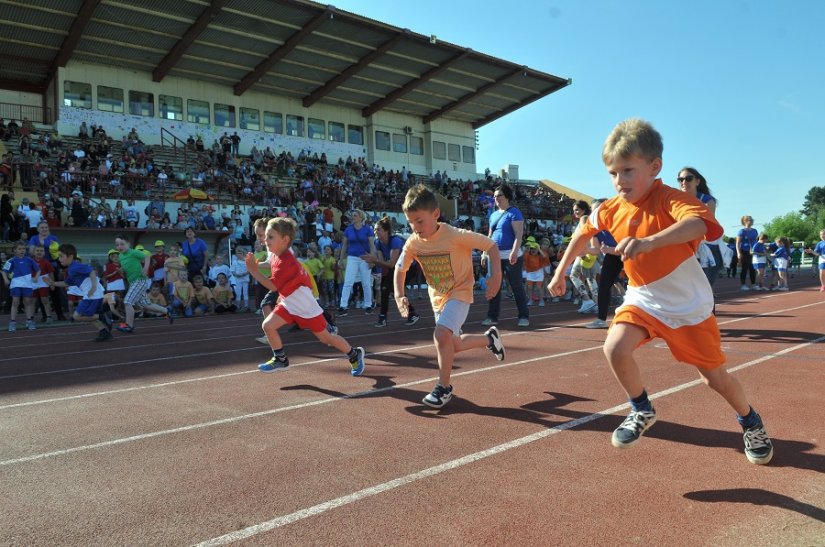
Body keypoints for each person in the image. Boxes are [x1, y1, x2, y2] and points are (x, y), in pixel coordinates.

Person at [550, 119, 774, 466]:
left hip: (689, 306)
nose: (619, 181)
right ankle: (641, 408)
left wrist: (649, 242)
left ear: (655, 167)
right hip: (643, 297)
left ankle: (750, 420)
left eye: (627, 170)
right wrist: (560, 271)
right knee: (614, 347)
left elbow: (699, 224)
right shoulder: (609, 207)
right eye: (612, 173)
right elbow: (583, 232)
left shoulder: (671, 199)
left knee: (713, 379)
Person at [394, 184, 504, 408]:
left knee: (441, 334)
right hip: (438, 298)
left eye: (419, 221)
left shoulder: (455, 235)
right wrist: (399, 295)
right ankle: (489, 339)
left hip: (460, 291)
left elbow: (491, 246)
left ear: (435, 214)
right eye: (410, 222)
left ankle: (443, 388)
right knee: (451, 344)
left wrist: (496, 278)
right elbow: (400, 269)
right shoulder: (413, 242)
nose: (415, 227)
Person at [244, 217, 366, 376]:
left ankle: (354, 354)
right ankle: (280, 359)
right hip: (289, 304)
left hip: (306, 308)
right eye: (265, 236)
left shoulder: (286, 260)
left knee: (326, 339)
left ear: (285, 239)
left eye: (270, 237)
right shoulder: (275, 255)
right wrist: (257, 267)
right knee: (268, 325)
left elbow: (273, 286)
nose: (265, 240)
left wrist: (254, 271)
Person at [482, 183, 530, 327]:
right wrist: (485, 252)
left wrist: (515, 252)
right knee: (494, 286)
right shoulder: (493, 214)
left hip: (511, 255)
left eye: (499, 195)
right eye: (495, 196)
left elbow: (518, 235)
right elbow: (490, 235)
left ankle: (523, 316)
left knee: (516, 285)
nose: (496, 198)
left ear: (507, 196)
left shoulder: (514, 212)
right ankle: (492, 316)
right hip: (494, 255)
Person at [364, 216, 419, 327]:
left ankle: (385, 317)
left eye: (378, 229)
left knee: (390, 289)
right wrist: (373, 261)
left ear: (386, 231)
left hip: (410, 267)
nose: (376, 232)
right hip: (397, 267)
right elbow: (381, 262)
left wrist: (375, 260)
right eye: (375, 229)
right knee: (387, 289)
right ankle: (410, 313)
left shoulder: (395, 241)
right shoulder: (378, 243)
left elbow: (392, 263)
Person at [50, 244, 112, 342]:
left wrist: (93, 287)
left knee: (77, 316)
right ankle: (104, 331)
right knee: (87, 315)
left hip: (92, 294)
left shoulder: (76, 266)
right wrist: (53, 283)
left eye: (61, 256)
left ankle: (101, 316)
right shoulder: (71, 269)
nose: (59, 258)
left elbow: (91, 271)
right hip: (91, 294)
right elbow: (67, 283)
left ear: (70, 256)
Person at [114, 235, 173, 332]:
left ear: (128, 244)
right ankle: (167, 311)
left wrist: (145, 268)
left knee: (128, 302)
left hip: (140, 280)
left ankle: (129, 325)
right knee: (146, 304)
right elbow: (125, 271)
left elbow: (147, 256)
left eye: (122, 244)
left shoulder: (133, 252)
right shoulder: (120, 257)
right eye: (117, 245)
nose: (120, 247)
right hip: (133, 282)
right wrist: (121, 271)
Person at [337, 209, 376, 315]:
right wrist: (340, 259)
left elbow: (372, 246)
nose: (353, 217)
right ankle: (343, 306)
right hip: (352, 258)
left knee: (366, 283)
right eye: (353, 215)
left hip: (365, 258)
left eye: (355, 215)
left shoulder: (368, 229)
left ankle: (368, 305)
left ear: (360, 217)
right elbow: (344, 245)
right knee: (348, 282)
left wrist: (372, 259)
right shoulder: (348, 230)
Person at [2, 240, 39, 331]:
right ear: (14, 250)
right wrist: (6, 279)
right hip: (16, 284)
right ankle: (12, 322)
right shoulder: (11, 260)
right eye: (19, 249)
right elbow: (3, 271)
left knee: (27, 302)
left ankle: (29, 320)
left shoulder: (29, 260)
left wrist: (36, 277)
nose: (22, 250)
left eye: (23, 249)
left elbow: (38, 270)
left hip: (27, 284)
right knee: (15, 302)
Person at [735, 216, 758, 291]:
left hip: (753, 252)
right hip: (744, 251)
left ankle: (753, 284)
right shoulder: (741, 231)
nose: (751, 221)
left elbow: (756, 241)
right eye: (749, 220)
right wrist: (738, 253)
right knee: (745, 268)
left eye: (752, 220)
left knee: (753, 268)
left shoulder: (755, 231)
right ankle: (743, 284)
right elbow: (738, 243)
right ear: (745, 221)